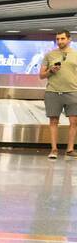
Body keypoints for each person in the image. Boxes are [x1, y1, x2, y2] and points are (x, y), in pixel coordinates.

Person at [40, 30, 77, 160]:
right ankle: (54, 149)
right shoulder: (49, 55)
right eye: (58, 39)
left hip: (72, 92)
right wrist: (51, 70)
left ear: (69, 39)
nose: (60, 41)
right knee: (53, 121)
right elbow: (41, 75)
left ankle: (70, 149)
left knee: (74, 121)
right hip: (53, 92)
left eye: (62, 39)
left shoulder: (75, 54)